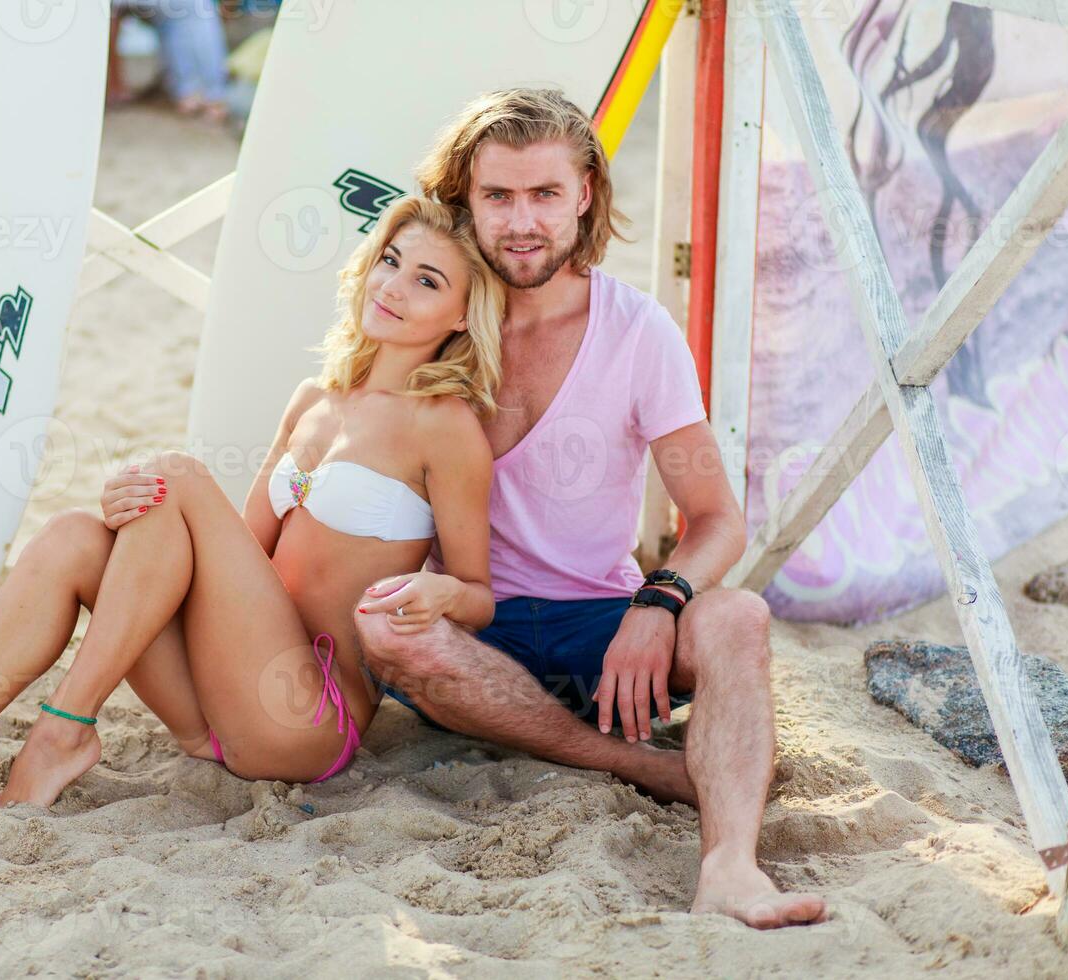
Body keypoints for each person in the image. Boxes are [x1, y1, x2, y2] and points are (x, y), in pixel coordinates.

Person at [0, 196, 507, 821]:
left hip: (301, 720)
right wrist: (131, 516)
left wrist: (442, 589)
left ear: (459, 317)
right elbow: (236, 555)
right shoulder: (313, 400)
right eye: (391, 261)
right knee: (74, 537)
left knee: (175, 477)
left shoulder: (445, 430)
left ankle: (64, 729)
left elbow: (479, 596)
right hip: (215, 700)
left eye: (427, 280)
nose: (393, 285)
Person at [352, 89, 828, 930]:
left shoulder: (639, 333)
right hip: (467, 643)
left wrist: (657, 603)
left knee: (739, 618)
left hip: (602, 640)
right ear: (464, 199)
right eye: (497, 196)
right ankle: (644, 768)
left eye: (544, 194)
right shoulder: (435, 315)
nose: (521, 221)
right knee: (385, 625)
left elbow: (717, 517)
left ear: (585, 195)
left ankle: (729, 866)